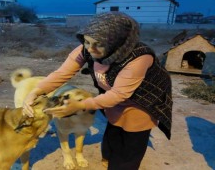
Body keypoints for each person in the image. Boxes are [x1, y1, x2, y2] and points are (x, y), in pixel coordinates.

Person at [23, 12, 173, 170]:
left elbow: (118, 95)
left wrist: (80, 106)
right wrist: (37, 91)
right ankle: (108, 159)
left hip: (142, 99)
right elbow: (62, 73)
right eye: (86, 42)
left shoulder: (139, 57)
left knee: (132, 140)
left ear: (117, 43)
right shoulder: (87, 48)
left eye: (98, 44)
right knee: (114, 125)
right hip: (112, 94)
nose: (90, 49)